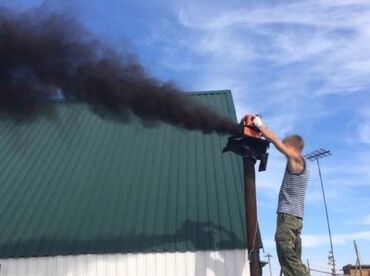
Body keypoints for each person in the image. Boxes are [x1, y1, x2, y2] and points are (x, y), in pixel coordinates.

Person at [253, 116, 310, 276]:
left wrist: (259, 125)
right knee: (292, 263)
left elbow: (275, 140)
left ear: (295, 148)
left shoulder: (297, 160)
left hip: (288, 218)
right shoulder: (304, 164)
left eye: (287, 147)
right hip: (296, 219)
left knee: (287, 258)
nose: (284, 150)